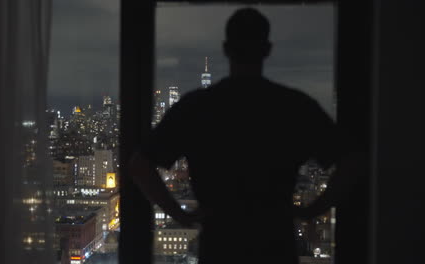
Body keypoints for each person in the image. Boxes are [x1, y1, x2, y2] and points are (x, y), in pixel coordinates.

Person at [129, 7, 358, 264]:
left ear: (226, 49)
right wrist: (311, 211)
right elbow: (351, 161)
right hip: (275, 245)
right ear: (267, 49)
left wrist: (180, 215)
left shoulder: (197, 107)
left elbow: (140, 165)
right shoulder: (293, 106)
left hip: (220, 246)